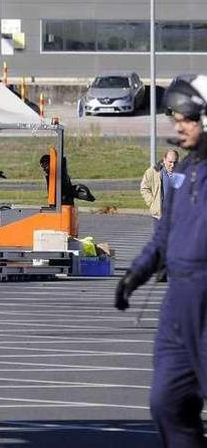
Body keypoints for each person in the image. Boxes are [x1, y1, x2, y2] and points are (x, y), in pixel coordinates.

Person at [115, 74, 207, 447]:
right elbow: (164, 234)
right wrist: (134, 276)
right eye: (176, 118)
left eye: (187, 118)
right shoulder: (184, 172)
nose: (178, 125)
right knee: (167, 402)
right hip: (177, 304)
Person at [141, 149, 181, 221]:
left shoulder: (183, 174)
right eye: (170, 162)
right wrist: (152, 202)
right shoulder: (153, 172)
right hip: (159, 216)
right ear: (164, 160)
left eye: (175, 162)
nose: (172, 165)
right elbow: (144, 188)